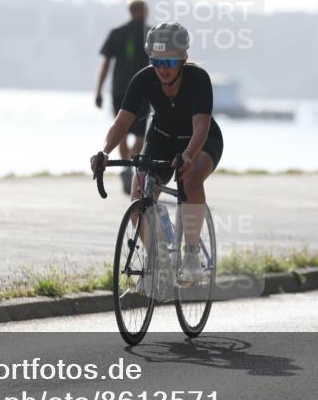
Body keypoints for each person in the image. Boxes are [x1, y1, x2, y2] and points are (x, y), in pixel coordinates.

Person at [90, 22, 224, 282]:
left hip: (200, 140)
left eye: (170, 62)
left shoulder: (198, 80)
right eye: (156, 61)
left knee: (191, 177)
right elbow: (122, 122)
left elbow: (201, 126)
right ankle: (158, 259)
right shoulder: (144, 78)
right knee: (139, 193)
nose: (162, 69)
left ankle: (192, 254)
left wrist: (187, 155)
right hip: (162, 137)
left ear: (183, 58)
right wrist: (104, 151)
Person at [95, 0, 151, 194]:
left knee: (122, 130)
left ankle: (127, 169)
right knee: (140, 134)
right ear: (143, 11)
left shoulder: (116, 32)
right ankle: (133, 166)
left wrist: (99, 91)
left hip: (119, 89)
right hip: (144, 90)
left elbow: (106, 65)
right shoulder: (151, 34)